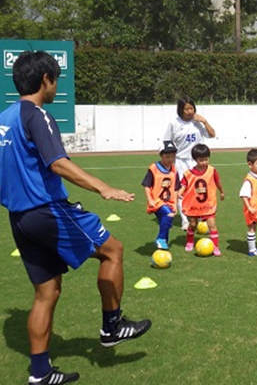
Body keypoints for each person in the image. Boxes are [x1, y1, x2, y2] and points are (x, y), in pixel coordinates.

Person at [0, 51, 151, 384]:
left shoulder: (4, 118)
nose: (56, 86)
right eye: (56, 79)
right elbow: (58, 162)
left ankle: (39, 372)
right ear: (45, 80)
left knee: (47, 292)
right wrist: (103, 187)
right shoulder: (38, 115)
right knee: (113, 250)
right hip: (46, 211)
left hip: (20, 220)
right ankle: (112, 327)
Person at [163, 97, 216, 230]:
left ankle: (200, 214)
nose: (189, 111)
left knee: (199, 188)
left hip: (198, 161)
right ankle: (185, 220)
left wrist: (204, 121)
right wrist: (168, 160)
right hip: (181, 161)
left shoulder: (197, 123)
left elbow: (212, 134)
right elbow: (166, 142)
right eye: (186, 109)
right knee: (182, 190)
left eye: (191, 108)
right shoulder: (174, 123)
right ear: (180, 109)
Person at [180, 144, 225, 255]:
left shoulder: (212, 170)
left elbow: (218, 181)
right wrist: (179, 194)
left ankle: (215, 246)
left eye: (206, 159)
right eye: (201, 160)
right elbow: (183, 186)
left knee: (212, 224)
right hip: (193, 204)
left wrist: (222, 191)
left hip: (208, 204)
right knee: (193, 224)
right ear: (195, 160)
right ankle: (190, 241)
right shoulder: (188, 174)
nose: (204, 162)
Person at [141, 140, 180, 250]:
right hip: (157, 201)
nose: (170, 159)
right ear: (161, 156)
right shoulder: (154, 168)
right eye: (167, 157)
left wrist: (175, 203)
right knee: (169, 216)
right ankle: (161, 239)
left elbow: (176, 188)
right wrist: (149, 199)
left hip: (169, 202)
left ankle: (162, 248)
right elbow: (146, 185)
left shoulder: (174, 169)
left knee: (165, 223)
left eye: (173, 157)